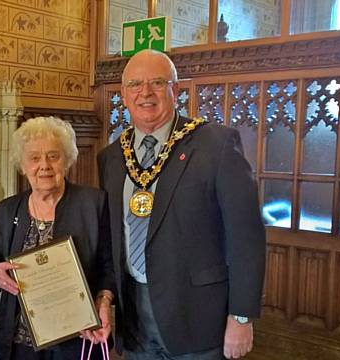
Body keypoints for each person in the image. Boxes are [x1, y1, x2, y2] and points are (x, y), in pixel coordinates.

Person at [97, 49, 266, 360]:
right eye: (135, 84)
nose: (145, 93)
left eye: (157, 83)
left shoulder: (216, 145)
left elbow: (246, 238)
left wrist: (241, 317)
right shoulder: (110, 158)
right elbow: (111, 239)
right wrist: (105, 298)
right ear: (123, 94)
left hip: (198, 320)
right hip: (135, 320)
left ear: (176, 89)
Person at [0, 116, 115, 360]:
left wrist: (104, 300)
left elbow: (109, 266)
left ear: (66, 160)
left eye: (53, 156)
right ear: (22, 165)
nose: (44, 165)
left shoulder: (94, 204)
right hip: (18, 344)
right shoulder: (5, 211)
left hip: (78, 338)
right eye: (34, 158)